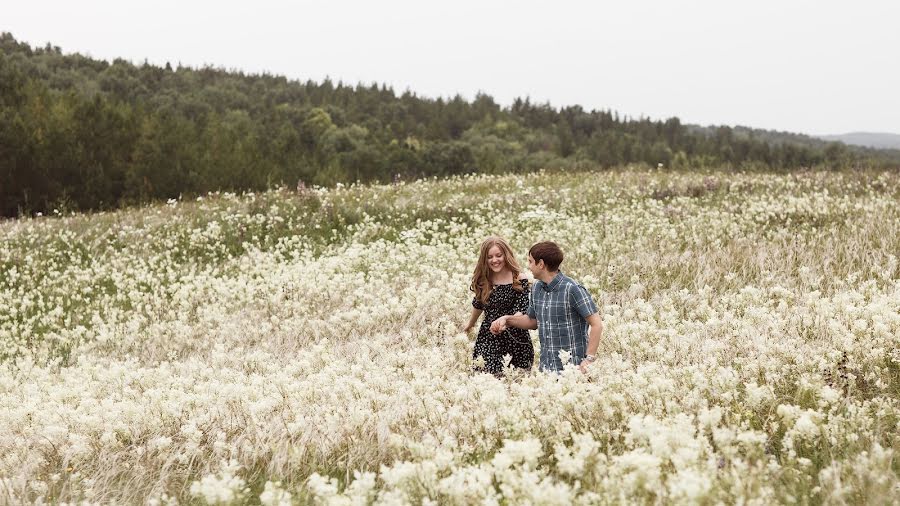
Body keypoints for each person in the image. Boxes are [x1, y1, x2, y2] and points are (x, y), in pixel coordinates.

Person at [491, 241, 603, 373]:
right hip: (547, 369)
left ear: (541, 264)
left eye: (530, 261)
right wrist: (507, 320)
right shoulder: (536, 288)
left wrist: (589, 359)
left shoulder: (572, 289)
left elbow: (597, 324)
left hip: (573, 370)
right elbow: (532, 321)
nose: (529, 266)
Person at [462, 236, 535, 376]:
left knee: (516, 380)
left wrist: (505, 322)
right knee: (487, 377)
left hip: (516, 337)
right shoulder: (484, 279)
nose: (494, 260)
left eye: (498, 255)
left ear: (506, 255)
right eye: (490, 257)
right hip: (489, 335)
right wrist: (470, 324)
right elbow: (478, 304)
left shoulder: (519, 278)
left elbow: (521, 309)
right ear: (484, 259)